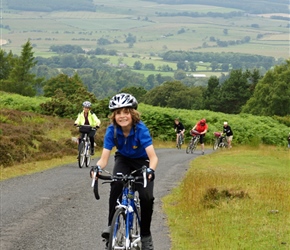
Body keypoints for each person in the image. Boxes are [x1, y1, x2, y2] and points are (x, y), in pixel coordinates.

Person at [92, 93, 158, 250]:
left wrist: (150, 170)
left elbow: (153, 157)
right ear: (114, 116)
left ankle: (146, 235)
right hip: (123, 159)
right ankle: (110, 227)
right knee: (116, 185)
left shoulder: (141, 129)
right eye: (118, 113)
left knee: (146, 197)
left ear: (132, 113)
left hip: (142, 162)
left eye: (126, 112)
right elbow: (104, 158)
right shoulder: (112, 130)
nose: (122, 116)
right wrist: (97, 168)